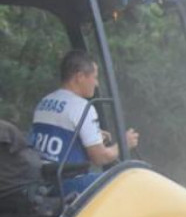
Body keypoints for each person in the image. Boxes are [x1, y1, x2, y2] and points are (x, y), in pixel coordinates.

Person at [29, 50, 138, 197]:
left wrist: (93, 135)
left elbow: (57, 139)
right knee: (130, 181)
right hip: (68, 184)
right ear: (80, 77)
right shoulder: (81, 107)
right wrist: (124, 144)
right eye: (94, 77)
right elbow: (100, 158)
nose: (97, 83)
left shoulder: (44, 103)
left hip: (42, 183)